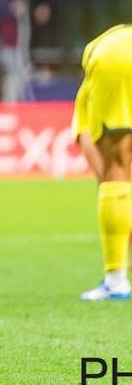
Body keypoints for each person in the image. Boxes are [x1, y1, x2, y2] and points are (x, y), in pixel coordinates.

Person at [73, 24, 132, 301]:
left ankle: (116, 281)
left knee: (115, 169)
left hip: (118, 57)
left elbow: (104, 173)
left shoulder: (88, 94)